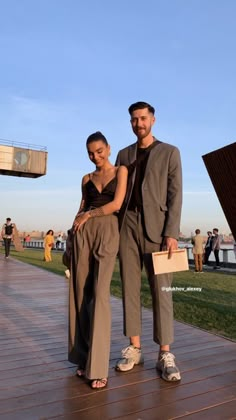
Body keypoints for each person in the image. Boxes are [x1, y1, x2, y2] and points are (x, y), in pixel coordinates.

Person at [115, 101, 182, 382]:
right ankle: (135, 347)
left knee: (162, 291)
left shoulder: (170, 152)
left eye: (142, 118)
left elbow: (175, 194)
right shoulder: (123, 154)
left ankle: (165, 353)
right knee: (130, 287)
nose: (138, 123)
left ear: (153, 120)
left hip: (158, 229)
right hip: (127, 226)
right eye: (133, 119)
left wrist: (172, 233)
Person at [68, 131, 128, 389]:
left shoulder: (121, 171)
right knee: (81, 295)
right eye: (91, 153)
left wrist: (90, 215)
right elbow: (80, 208)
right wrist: (70, 240)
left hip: (107, 229)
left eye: (99, 151)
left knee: (101, 295)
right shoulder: (86, 178)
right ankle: (83, 357)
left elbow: (116, 204)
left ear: (108, 148)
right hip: (83, 233)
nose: (96, 157)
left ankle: (99, 366)